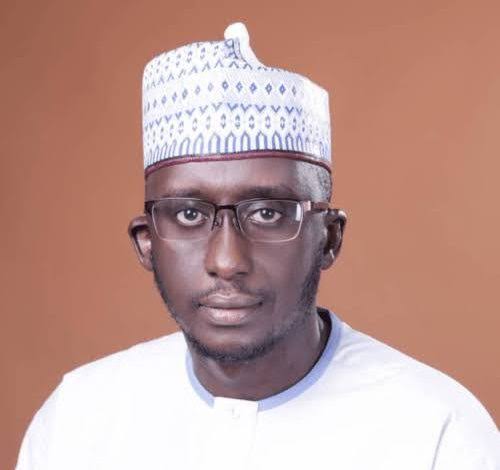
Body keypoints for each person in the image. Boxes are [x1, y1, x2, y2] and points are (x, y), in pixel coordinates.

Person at [16, 22, 499, 470]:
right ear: (146, 243)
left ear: (328, 238)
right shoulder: (78, 419)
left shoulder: (439, 433)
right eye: (189, 214)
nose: (227, 261)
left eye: (267, 213)